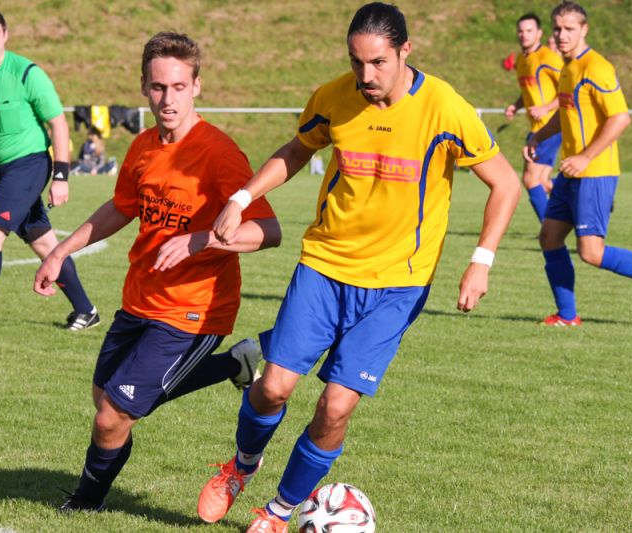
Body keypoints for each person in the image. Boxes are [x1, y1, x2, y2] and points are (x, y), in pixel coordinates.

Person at [197, 3, 521, 531]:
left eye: (377, 62)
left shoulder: (444, 108)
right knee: (274, 387)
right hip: (325, 266)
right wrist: (241, 197)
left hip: (397, 285)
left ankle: (278, 513)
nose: (365, 75)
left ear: (405, 51)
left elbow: (505, 183)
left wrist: (480, 261)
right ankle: (241, 465)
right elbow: (297, 150)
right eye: (356, 62)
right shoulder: (333, 97)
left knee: (335, 407)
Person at [33, 32, 282, 513]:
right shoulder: (144, 146)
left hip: (194, 311)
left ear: (197, 87)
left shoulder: (219, 152)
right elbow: (121, 207)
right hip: (140, 299)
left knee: (112, 416)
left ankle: (86, 503)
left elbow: (268, 230)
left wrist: (200, 239)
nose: (168, 99)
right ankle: (235, 365)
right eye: (158, 87)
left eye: (179, 87)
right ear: (144, 87)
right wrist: (60, 251)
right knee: (104, 399)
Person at [524, 1, 632, 326]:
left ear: (584, 29)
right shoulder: (568, 67)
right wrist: (538, 137)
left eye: (569, 29)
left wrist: (585, 157)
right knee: (549, 237)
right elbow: (564, 114)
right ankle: (567, 316)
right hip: (571, 172)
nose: (562, 35)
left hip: (595, 172)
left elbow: (620, 118)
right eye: (558, 28)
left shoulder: (596, 67)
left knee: (591, 252)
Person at [0, 7, 99, 334]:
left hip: (31, 164)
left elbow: (58, 123)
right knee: (42, 241)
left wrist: (61, 176)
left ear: (6, 36)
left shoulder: (27, 73)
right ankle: (87, 310)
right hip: (0, 170)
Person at [504, 12, 564, 223]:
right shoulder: (522, 60)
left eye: (529, 31)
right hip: (538, 128)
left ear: (539, 33)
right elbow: (528, 90)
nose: (524, 35)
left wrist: (547, 107)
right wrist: (516, 105)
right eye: (521, 31)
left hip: (550, 126)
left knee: (530, 179)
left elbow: (569, 89)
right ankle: (581, 194)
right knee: (543, 182)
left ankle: (549, 229)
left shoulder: (548, 57)